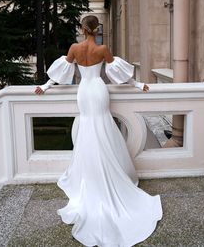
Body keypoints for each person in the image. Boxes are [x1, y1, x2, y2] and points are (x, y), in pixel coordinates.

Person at [35, 15, 162, 247]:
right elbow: (119, 74)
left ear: (83, 29)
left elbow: (60, 72)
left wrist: (44, 86)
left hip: (84, 91)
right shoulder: (103, 48)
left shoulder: (74, 47)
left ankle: (90, 174)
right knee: (102, 127)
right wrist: (138, 84)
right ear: (96, 29)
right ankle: (108, 174)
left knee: (89, 128)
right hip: (98, 91)